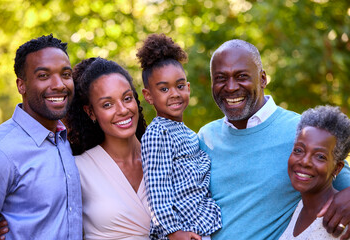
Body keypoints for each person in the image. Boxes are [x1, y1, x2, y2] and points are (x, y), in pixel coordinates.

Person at [197, 39, 350, 240]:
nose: (231, 87)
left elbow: (339, 177)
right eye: (220, 78)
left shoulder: (302, 133)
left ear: (262, 79)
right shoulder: (205, 136)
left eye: (242, 76)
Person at [0, 34, 82, 239]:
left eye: (65, 74)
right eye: (43, 76)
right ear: (21, 85)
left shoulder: (68, 141)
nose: (59, 84)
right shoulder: (0, 151)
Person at [137, 33, 222, 240]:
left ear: (188, 88)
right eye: (164, 89)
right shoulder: (158, 133)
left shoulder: (187, 132)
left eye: (180, 86)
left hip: (197, 225)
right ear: (148, 96)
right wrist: (173, 231)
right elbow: (158, 189)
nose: (174, 93)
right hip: (179, 230)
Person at [64, 57, 150, 239]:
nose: (122, 110)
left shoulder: (164, 156)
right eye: (107, 104)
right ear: (91, 112)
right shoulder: (78, 169)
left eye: (127, 98)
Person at [279, 105, 350, 239]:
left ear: (337, 168)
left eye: (320, 156)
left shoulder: (343, 221)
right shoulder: (300, 207)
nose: (305, 161)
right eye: (299, 150)